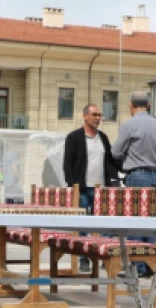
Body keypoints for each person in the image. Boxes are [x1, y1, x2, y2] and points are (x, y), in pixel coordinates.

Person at [111, 91, 156, 278]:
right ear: (148, 105)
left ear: (131, 105)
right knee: (152, 223)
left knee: (136, 222)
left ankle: (137, 267)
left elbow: (115, 152)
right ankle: (151, 265)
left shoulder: (129, 125)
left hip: (137, 176)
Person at [64, 103, 120, 272]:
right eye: (94, 115)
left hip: (100, 188)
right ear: (85, 116)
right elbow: (68, 165)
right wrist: (73, 186)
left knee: (103, 223)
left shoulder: (102, 137)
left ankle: (103, 254)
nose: (97, 118)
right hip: (82, 188)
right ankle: (84, 258)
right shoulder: (74, 138)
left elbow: (110, 161)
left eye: (99, 115)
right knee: (82, 224)